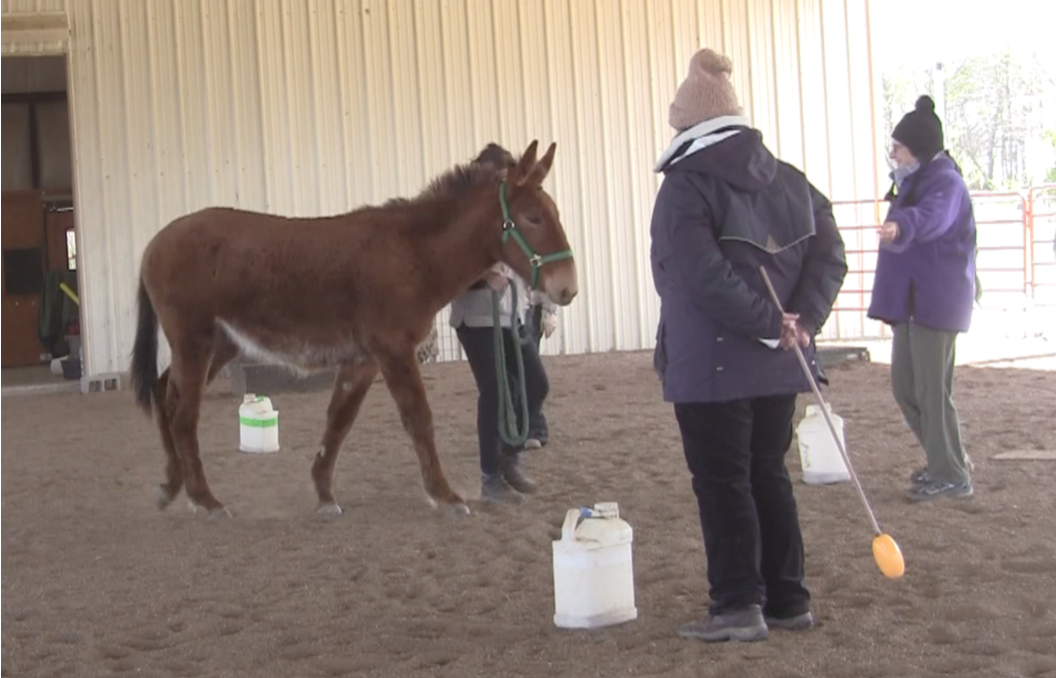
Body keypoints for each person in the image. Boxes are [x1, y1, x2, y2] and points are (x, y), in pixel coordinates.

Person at [649, 48, 847, 642]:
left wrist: (770, 322)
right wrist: (801, 322)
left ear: (688, 126)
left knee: (722, 479)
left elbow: (699, 275)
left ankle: (737, 603)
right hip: (780, 362)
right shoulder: (791, 180)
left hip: (712, 367)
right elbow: (829, 254)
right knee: (768, 473)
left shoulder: (685, 188)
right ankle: (788, 598)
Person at [868, 95, 977, 501]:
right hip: (914, 305)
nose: (893, 155)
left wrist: (903, 226)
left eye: (898, 147)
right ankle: (948, 462)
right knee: (905, 387)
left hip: (935, 302)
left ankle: (950, 473)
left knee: (932, 391)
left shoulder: (945, 183)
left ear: (918, 148)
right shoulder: (913, 182)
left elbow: (934, 217)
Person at [448, 144, 551, 504]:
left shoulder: (507, 212)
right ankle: (490, 478)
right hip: (477, 316)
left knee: (535, 383)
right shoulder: (463, 216)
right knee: (494, 392)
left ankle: (509, 456)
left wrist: (542, 301)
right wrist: (482, 276)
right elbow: (446, 268)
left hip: (511, 312)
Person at [522, 290, 559, 448]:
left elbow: (545, 270)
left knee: (528, 371)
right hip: (509, 307)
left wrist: (549, 309)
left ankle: (533, 428)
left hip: (530, 307)